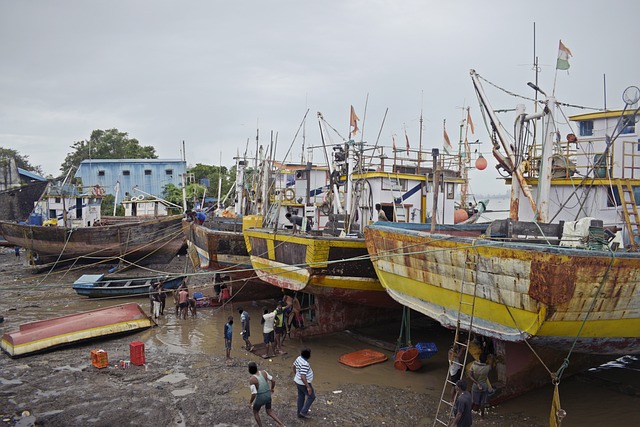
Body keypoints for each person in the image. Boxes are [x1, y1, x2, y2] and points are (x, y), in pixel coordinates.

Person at [248, 362, 285, 427]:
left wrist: (250, 402)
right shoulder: (264, 372)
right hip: (268, 395)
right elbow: (273, 381)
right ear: (256, 368)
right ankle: (281, 424)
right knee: (269, 411)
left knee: (255, 412)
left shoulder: (252, 379)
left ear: (249, 370)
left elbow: (254, 393)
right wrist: (272, 388)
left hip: (260, 398)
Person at [292, 348, 315, 419]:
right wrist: (308, 387)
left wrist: (296, 374)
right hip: (303, 383)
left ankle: (299, 413)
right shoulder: (305, 364)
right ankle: (303, 412)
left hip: (297, 381)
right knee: (312, 397)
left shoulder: (299, 358)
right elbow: (303, 376)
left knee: (301, 396)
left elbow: (293, 366)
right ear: (309, 356)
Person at [468, 352, 492, 419]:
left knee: (473, 401)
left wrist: (477, 383)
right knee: (483, 402)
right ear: (486, 360)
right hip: (484, 385)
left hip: (476, 385)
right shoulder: (487, 367)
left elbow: (470, 375)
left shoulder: (474, 365)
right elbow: (491, 365)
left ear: (479, 358)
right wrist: (492, 358)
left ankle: (468, 413)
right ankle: (482, 416)